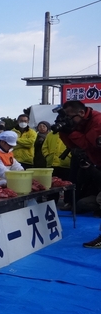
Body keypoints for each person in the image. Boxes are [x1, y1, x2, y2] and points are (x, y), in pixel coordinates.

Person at [59, 100, 101, 247]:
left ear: (81, 113)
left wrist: (71, 131)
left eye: (70, 118)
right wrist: (64, 131)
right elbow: (73, 145)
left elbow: (87, 144)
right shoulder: (81, 122)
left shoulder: (97, 121)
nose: (70, 122)